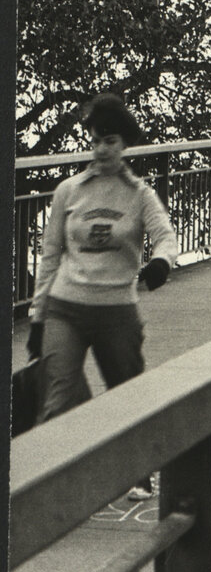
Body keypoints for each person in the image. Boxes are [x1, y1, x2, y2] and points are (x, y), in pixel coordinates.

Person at [27, 93, 179, 501]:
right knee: (57, 397)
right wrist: (39, 316)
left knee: (125, 392)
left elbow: (165, 236)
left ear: (124, 144)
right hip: (66, 307)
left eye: (109, 140)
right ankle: (50, 485)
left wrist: (160, 264)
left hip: (117, 310)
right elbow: (51, 255)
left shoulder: (139, 194)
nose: (101, 149)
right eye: (95, 139)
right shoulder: (68, 191)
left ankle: (138, 473)